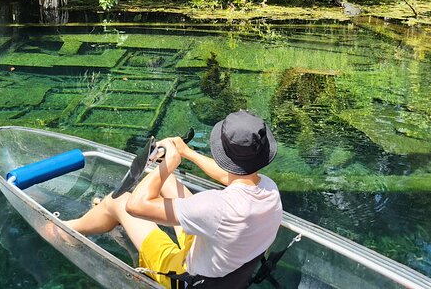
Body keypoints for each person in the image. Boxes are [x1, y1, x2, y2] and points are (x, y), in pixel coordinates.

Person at [65, 110, 283, 289]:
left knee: (118, 202)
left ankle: (66, 231)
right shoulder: (268, 188)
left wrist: (169, 163)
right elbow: (229, 176)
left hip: (186, 276)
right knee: (167, 183)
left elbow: (135, 206)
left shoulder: (216, 207)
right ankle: (108, 218)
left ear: (222, 153)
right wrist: (185, 152)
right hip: (224, 262)